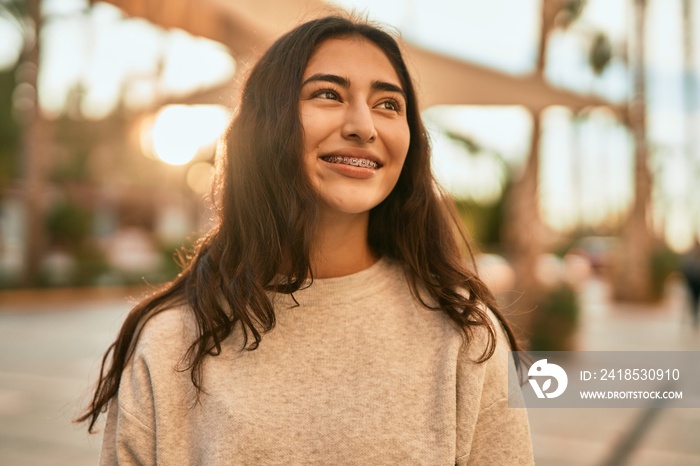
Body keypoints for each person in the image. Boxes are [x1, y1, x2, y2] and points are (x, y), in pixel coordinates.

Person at [77, 15, 533, 465]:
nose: (363, 126)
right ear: (266, 124)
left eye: (388, 104)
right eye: (328, 94)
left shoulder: (465, 337)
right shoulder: (171, 340)